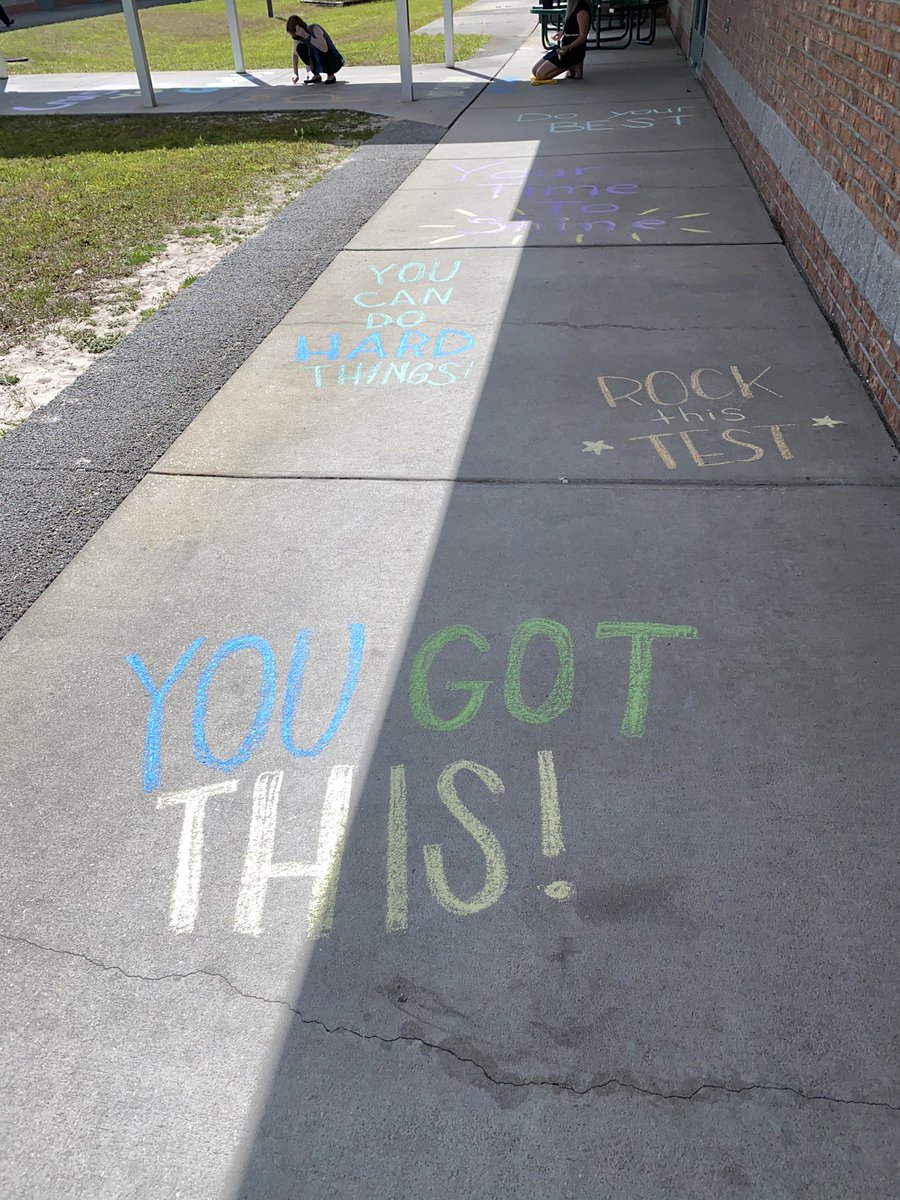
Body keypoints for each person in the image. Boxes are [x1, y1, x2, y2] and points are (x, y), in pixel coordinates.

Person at [532, 0, 592, 82]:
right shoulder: (571, 6)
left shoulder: (582, 9)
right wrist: (563, 32)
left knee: (540, 75)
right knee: (534, 70)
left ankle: (571, 65)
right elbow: (573, 26)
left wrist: (569, 47)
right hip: (564, 47)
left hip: (573, 49)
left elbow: (583, 36)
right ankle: (571, 65)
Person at [286, 14, 344, 85]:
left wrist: (307, 36)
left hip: (332, 62)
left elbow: (324, 48)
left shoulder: (315, 29)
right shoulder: (299, 37)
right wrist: (295, 74)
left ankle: (330, 75)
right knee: (300, 48)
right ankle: (316, 75)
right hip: (317, 61)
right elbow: (295, 54)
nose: (295, 37)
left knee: (321, 48)